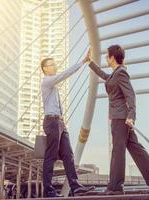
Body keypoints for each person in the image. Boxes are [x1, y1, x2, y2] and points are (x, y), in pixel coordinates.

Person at [84, 45, 149, 195]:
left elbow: (131, 95)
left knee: (117, 151)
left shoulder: (121, 73)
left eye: (106, 56)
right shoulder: (115, 73)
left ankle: (115, 186)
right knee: (136, 148)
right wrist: (90, 63)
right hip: (121, 118)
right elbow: (105, 76)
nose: (105, 58)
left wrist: (131, 116)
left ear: (112, 57)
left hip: (120, 118)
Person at [41, 56, 95, 197]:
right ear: (45, 69)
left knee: (68, 155)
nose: (54, 66)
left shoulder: (53, 86)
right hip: (52, 121)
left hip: (59, 122)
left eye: (54, 64)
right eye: (51, 65)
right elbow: (66, 74)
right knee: (51, 156)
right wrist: (82, 62)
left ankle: (75, 186)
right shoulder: (47, 81)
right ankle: (48, 190)